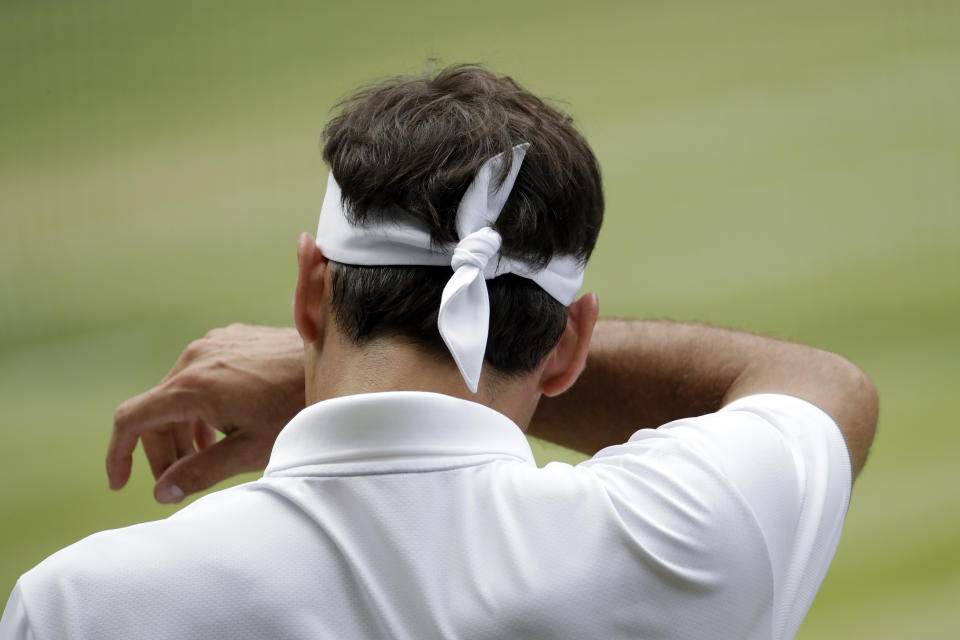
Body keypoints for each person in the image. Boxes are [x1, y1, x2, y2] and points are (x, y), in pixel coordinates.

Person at [0, 65, 877, 640]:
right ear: (568, 344)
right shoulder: (688, 540)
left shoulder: (81, 607)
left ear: (312, 290)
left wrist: (335, 392)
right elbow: (819, 386)